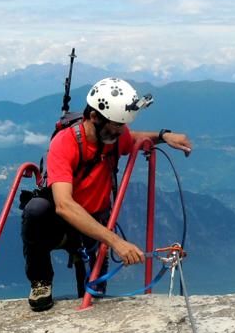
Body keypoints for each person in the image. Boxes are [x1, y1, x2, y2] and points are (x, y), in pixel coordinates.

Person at [20, 77, 192, 311]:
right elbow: (64, 205)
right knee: (35, 210)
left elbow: (132, 138)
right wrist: (116, 242)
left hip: (96, 221)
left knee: (95, 300)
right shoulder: (65, 144)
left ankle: (92, 278)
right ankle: (41, 281)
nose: (122, 131)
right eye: (117, 125)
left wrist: (164, 136)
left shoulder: (111, 136)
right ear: (94, 117)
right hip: (62, 223)